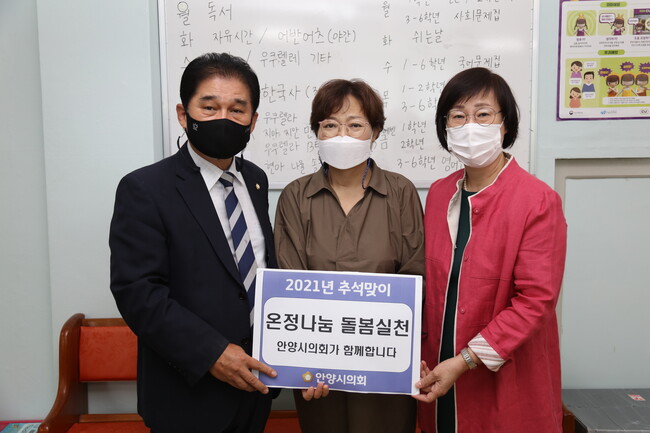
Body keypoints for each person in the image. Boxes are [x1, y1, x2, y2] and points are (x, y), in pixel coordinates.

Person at [109, 52, 279, 433]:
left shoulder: (256, 180)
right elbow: (138, 293)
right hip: (188, 396)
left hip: (256, 387)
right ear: (183, 115)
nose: (224, 118)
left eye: (237, 109)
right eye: (209, 107)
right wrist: (213, 354)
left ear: (253, 121)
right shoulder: (145, 189)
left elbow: (258, 270)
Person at [414, 67, 567, 433]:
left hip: (504, 374)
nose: (470, 126)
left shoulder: (538, 200)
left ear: (505, 124)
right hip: (437, 369)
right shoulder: (439, 193)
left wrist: (464, 360)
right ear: (445, 128)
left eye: (482, 114)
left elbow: (535, 301)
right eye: (458, 116)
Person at [274, 78, 425, 433]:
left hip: (385, 367)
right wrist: (300, 364)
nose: (342, 135)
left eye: (355, 125)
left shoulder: (401, 192)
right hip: (317, 371)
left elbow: (414, 275)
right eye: (330, 125)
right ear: (316, 132)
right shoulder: (295, 196)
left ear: (375, 131)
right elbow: (290, 284)